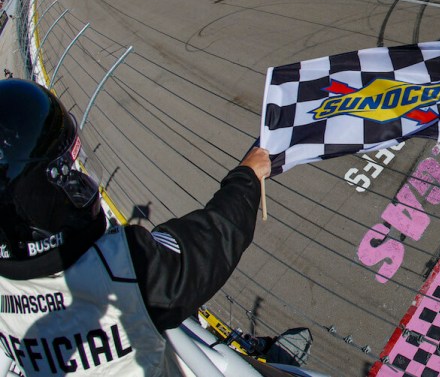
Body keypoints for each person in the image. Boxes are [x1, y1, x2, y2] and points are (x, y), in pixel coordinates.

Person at [0, 78, 271, 375]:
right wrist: (247, 176)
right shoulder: (120, 268)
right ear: (32, 197)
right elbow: (210, 242)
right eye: (65, 174)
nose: (77, 183)